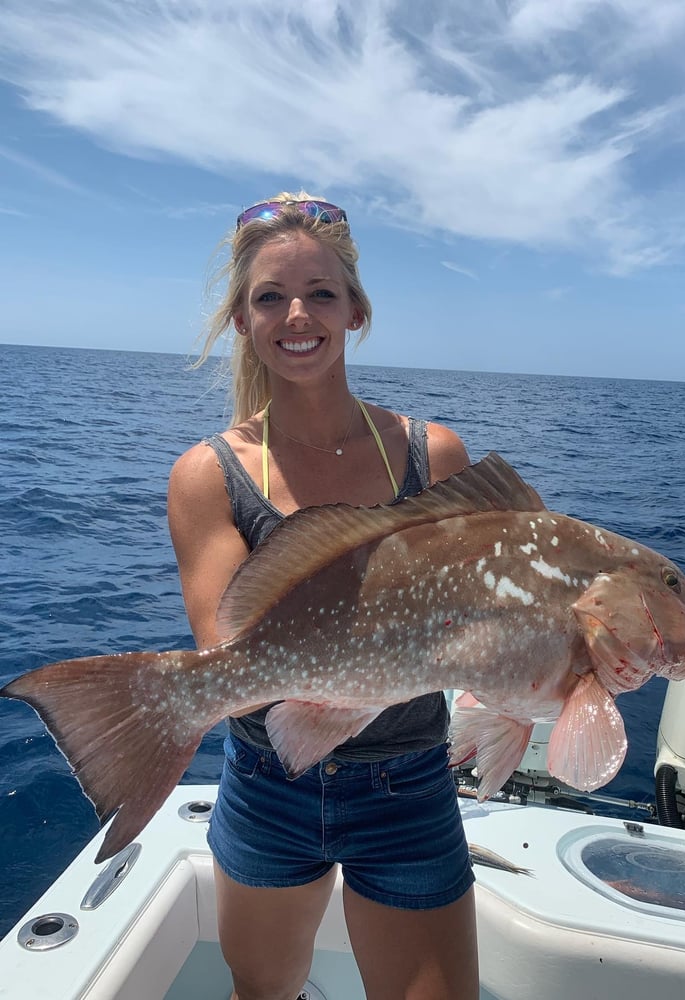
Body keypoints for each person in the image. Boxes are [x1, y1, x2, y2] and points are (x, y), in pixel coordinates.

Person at [167, 192, 479, 1000]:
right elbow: (222, 656)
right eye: (270, 296)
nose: (296, 314)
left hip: (409, 782)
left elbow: (488, 603)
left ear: (356, 312)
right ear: (242, 319)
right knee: (262, 992)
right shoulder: (210, 474)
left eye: (321, 294)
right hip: (270, 785)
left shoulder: (432, 454)